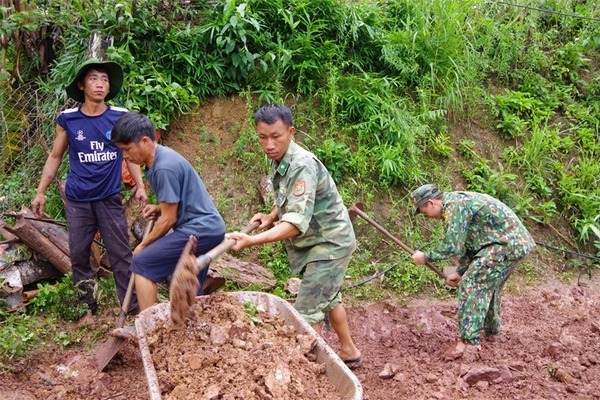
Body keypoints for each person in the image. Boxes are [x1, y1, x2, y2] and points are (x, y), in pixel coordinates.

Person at [226, 104, 362, 368]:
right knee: (330, 298)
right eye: (262, 137)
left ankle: (311, 373)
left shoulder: (302, 165)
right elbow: (291, 200)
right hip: (320, 241)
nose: (269, 144)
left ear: (291, 132)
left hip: (330, 244)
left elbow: (296, 224)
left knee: (306, 314)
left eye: (276, 136)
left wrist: (251, 240)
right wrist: (270, 216)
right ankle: (348, 351)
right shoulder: (281, 159)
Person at [31, 58, 147, 314]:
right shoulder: (68, 120)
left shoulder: (119, 117)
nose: (100, 84)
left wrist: (140, 185)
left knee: (120, 253)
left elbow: (129, 155)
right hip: (78, 200)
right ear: (82, 85)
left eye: (105, 79)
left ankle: (131, 308)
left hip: (109, 198)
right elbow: (55, 156)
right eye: (94, 78)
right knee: (80, 254)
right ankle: (87, 307)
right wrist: (40, 191)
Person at [110, 112, 226, 311]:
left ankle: (151, 324)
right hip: (208, 228)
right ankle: (189, 327)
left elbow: (168, 219)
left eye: (127, 149)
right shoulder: (158, 160)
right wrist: (159, 208)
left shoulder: (164, 167)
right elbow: (173, 205)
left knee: (142, 263)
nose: (125, 156)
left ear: (145, 141)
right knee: (189, 285)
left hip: (200, 230)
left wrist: (143, 245)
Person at [410, 184, 535, 361]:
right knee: (488, 285)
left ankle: (469, 343)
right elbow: (470, 244)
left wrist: (426, 257)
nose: (427, 217)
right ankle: (491, 332)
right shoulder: (456, 203)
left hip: (505, 245)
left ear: (431, 203)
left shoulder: (454, 207)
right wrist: (460, 271)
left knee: (472, 285)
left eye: (424, 212)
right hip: (513, 243)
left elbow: (452, 246)